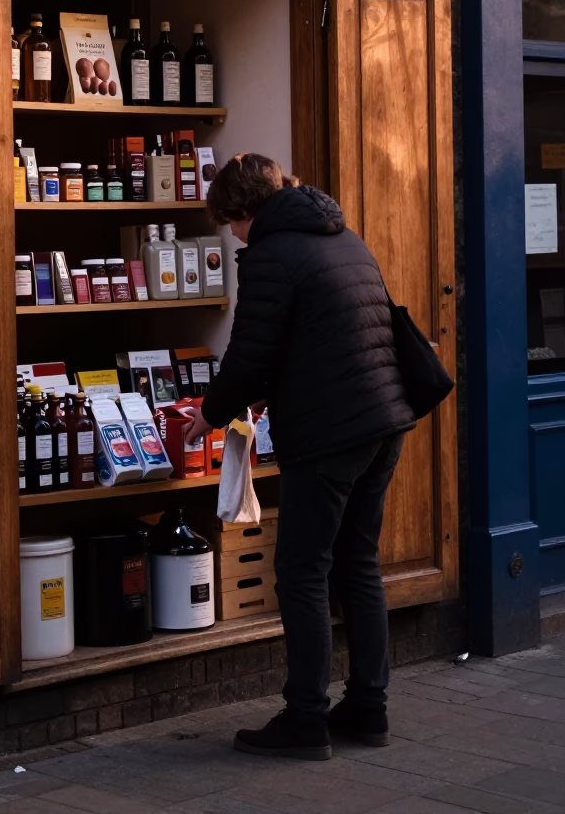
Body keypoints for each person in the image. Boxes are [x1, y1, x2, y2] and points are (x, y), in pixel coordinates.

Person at [185, 153, 415, 761]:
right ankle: (370, 707)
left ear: (241, 211)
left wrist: (205, 419)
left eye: (229, 224)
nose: (232, 236)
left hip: (330, 433)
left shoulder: (271, 253)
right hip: (383, 420)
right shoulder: (342, 236)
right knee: (357, 563)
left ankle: (306, 718)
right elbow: (323, 334)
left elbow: (250, 353)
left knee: (303, 572)